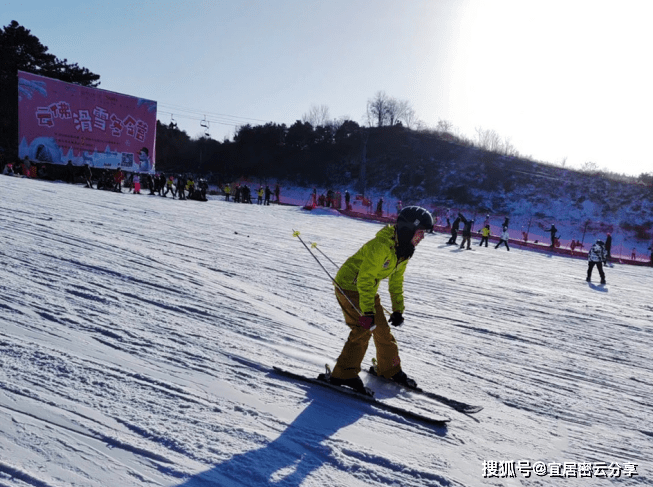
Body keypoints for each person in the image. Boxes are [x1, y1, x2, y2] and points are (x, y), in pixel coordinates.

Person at [323, 206, 434, 394]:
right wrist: (367, 313)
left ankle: (389, 369)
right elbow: (365, 279)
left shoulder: (403, 249)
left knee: (382, 330)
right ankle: (343, 374)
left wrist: (398, 309)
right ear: (408, 230)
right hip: (350, 286)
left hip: (366, 289)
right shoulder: (381, 246)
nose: (422, 237)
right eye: (420, 232)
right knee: (363, 329)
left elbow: (396, 281)